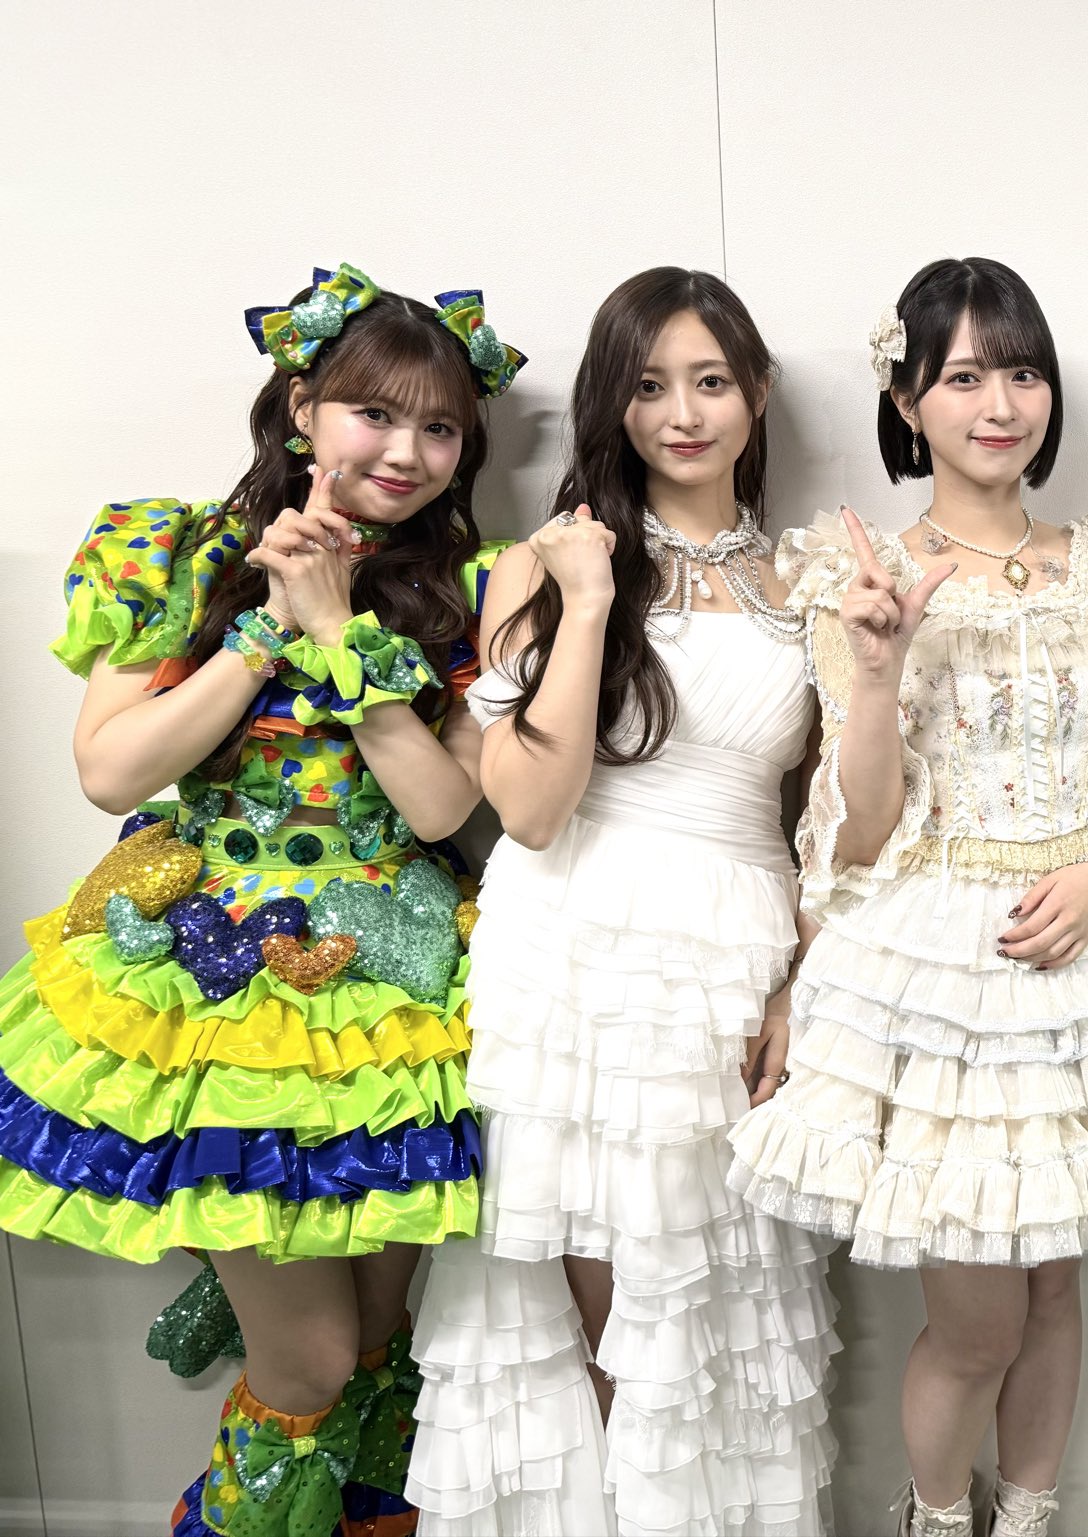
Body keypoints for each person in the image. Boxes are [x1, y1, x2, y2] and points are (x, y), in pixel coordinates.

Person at [0, 262, 523, 1537]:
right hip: (220, 981)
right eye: (373, 414)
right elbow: (111, 770)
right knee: (313, 1362)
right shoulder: (181, 553)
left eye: (439, 427)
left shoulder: (469, 586)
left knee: (385, 1347)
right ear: (301, 409)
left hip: (395, 989)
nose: (405, 451)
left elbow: (444, 812)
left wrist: (341, 630)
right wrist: (261, 630)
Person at [726, 256, 1088, 1537]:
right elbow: (859, 827)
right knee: (977, 1317)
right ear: (907, 399)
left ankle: (1026, 1518)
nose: (1000, 404)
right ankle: (933, 1521)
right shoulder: (857, 573)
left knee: (1054, 1291)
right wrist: (877, 669)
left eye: (1021, 373)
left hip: (1080, 958)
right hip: (935, 963)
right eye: (965, 376)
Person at [406, 267, 839, 1537]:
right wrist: (590, 599)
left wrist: (800, 980)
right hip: (576, 944)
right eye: (649, 386)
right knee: (593, 1309)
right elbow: (531, 810)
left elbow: (827, 823)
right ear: (612, 402)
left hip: (738, 946)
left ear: (757, 392)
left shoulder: (808, 580)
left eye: (710, 382)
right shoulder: (536, 570)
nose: (682, 414)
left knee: (714, 1307)